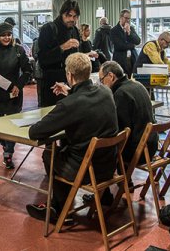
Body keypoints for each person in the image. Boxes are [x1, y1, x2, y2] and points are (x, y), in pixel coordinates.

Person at [26, 53, 119, 221]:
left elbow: (35, 132)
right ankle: (61, 204)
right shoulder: (105, 92)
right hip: (108, 164)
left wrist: (69, 99)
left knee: (50, 154)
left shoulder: (70, 105)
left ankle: (59, 208)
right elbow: (86, 104)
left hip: (86, 169)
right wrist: (71, 93)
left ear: (69, 75)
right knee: (64, 150)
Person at [98, 61, 157, 177]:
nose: (101, 83)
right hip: (151, 144)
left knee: (101, 149)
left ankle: (105, 190)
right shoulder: (137, 85)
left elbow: (121, 130)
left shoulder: (121, 93)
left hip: (138, 151)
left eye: (101, 80)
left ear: (111, 76)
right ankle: (125, 181)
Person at [0, 22, 33, 169]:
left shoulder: (18, 50)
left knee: (12, 124)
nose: (7, 38)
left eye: (9, 35)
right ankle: (5, 145)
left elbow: (27, 71)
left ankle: (8, 153)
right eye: (3, 35)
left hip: (14, 93)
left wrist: (18, 86)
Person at [37, 0, 85, 107]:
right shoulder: (48, 29)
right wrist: (62, 47)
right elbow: (43, 59)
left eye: (75, 16)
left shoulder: (75, 30)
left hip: (71, 82)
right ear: (62, 14)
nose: (71, 19)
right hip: (53, 85)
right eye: (68, 15)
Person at [110, 9, 141, 78]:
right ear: (121, 18)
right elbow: (119, 46)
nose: (128, 20)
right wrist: (132, 45)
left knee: (133, 80)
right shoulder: (114, 30)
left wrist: (129, 33)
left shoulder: (131, 28)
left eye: (129, 19)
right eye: (126, 18)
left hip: (132, 59)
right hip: (120, 60)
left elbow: (138, 41)